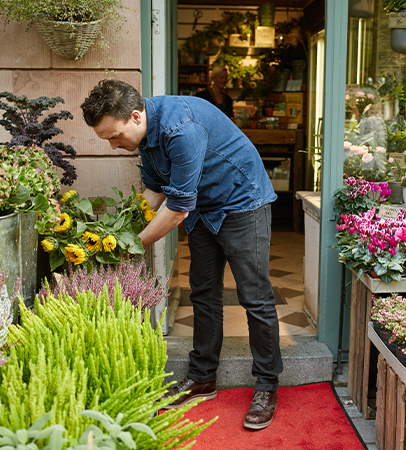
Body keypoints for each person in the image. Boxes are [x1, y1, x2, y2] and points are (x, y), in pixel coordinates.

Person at [81, 79, 283, 430]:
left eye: (114, 136)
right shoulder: (144, 136)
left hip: (243, 203)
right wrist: (117, 233)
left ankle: (266, 385)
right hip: (203, 207)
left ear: (134, 116)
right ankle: (203, 377)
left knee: (255, 298)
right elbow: (155, 192)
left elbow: (176, 210)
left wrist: (132, 246)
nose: (114, 146)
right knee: (204, 294)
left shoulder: (180, 129)